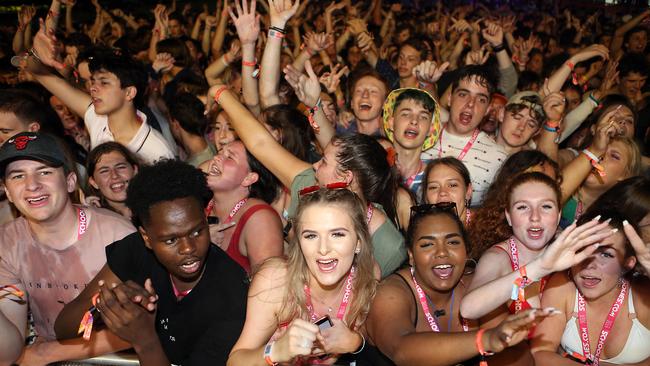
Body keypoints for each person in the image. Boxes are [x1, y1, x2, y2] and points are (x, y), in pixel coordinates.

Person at [56, 159, 248, 364]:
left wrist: (144, 339)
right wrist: (107, 305)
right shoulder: (136, 251)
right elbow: (63, 328)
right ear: (146, 238)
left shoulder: (232, 293)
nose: (188, 248)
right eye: (171, 240)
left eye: (197, 231)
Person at [208, 82, 406, 278]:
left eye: (324, 162)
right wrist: (220, 92)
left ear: (346, 178)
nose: (314, 165)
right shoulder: (310, 184)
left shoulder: (388, 245)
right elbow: (260, 144)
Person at [363, 204, 560, 365]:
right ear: (411, 256)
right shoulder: (391, 293)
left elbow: (519, 355)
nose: (442, 252)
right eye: (427, 244)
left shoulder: (477, 288)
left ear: (466, 250)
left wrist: (501, 342)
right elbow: (401, 350)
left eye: (453, 242)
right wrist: (486, 339)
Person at [0, 132, 136, 364]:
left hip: (117, 360)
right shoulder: (8, 241)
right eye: (18, 176)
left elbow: (146, 325)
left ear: (70, 181)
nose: (32, 185)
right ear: (8, 192)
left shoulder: (117, 235)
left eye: (44, 172)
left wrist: (52, 352)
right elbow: (8, 353)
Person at [460, 172, 616, 365]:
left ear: (559, 215)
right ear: (509, 217)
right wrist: (539, 268)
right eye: (523, 207)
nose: (535, 217)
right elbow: (468, 309)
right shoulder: (498, 258)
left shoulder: (574, 254)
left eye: (546, 206)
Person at [227, 188, 377, 365]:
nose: (323, 249)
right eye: (311, 236)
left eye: (337, 234)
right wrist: (275, 351)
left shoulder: (367, 277)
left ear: (358, 242)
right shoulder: (276, 280)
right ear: (299, 241)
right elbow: (235, 361)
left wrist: (354, 342)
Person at [25, 23, 175, 164]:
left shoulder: (157, 151)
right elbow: (41, 74)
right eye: (92, 81)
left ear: (129, 92)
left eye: (104, 82)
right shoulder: (97, 119)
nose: (93, 88)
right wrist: (36, 53)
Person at [531, 209, 650, 365]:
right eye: (583, 250)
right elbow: (540, 354)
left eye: (606, 254)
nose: (590, 264)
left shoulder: (643, 295)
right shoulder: (562, 285)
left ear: (628, 264)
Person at [421, 65, 509, 206]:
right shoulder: (420, 134)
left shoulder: (498, 158)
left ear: (487, 109)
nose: (470, 104)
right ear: (449, 98)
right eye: (463, 94)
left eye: (481, 99)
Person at [205, 140, 284, 273]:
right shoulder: (200, 203)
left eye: (229, 157)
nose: (216, 157)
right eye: (219, 152)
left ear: (249, 178)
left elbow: (269, 287)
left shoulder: (260, 219)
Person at [382, 87, 442, 197]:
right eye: (405, 114)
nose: (414, 121)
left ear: (430, 129)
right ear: (391, 123)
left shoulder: (435, 178)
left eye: (423, 117)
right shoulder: (375, 170)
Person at [86, 141, 139, 218]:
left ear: (135, 170)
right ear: (93, 182)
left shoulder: (156, 205)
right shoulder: (93, 219)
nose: (114, 175)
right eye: (104, 171)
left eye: (121, 167)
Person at [167, 92, 216, 167]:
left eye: (169, 122)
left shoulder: (193, 168)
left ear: (176, 125)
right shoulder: (213, 146)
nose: (169, 127)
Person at [421, 157, 473, 227]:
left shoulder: (487, 227)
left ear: (468, 191)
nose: (442, 192)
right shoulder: (419, 230)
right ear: (425, 196)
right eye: (434, 187)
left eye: (452, 185)